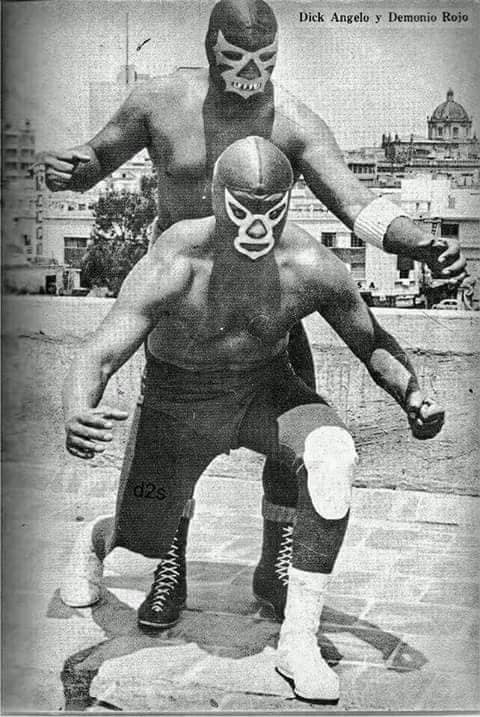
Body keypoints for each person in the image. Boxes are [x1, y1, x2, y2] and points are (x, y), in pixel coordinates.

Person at [38, 0, 462, 629]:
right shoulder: (160, 100)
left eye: (265, 60)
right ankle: (166, 562)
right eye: (235, 58)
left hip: (269, 303)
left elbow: (356, 202)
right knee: (172, 450)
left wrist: (419, 241)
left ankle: (277, 565)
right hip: (186, 299)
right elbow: (97, 158)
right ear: (210, 47)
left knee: (299, 445)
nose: (250, 74)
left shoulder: (293, 120)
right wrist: (75, 169)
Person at [62, 137, 444, 704]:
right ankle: (98, 538)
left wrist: (411, 392)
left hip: (265, 393)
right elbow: (98, 352)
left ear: (288, 201)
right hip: (178, 403)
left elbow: (371, 341)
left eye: (272, 208)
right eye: (244, 208)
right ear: (217, 199)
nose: (258, 224)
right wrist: (77, 409)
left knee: (332, 456)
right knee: (142, 541)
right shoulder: (176, 259)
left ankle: (298, 641)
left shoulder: (310, 263)